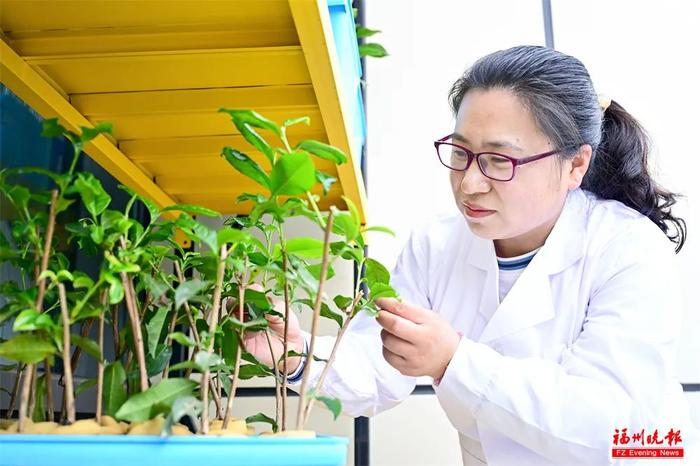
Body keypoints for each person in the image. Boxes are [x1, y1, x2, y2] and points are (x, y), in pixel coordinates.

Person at [242, 45, 698, 465]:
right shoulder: (437, 246)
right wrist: (297, 355)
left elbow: (610, 425)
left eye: (500, 160)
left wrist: (454, 361)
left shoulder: (628, 249)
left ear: (575, 164)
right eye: (460, 152)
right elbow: (378, 364)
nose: (470, 183)